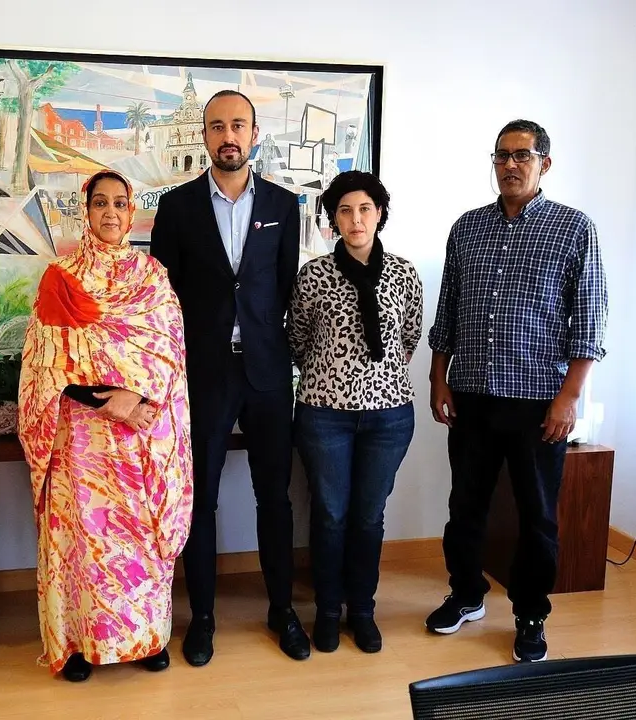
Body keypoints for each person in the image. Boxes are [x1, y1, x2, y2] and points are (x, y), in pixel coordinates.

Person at [425, 119, 608, 663]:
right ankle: (466, 594)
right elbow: (448, 314)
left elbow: (589, 323)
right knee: (466, 505)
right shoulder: (467, 229)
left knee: (537, 514)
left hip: (538, 403)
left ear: (544, 163)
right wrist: (439, 378)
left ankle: (530, 614)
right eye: (502, 155)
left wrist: (569, 397)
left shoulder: (575, 229)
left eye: (522, 156)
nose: (510, 165)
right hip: (473, 394)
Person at [150, 89, 311, 666]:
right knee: (202, 499)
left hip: (267, 373)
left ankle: (281, 611)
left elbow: (286, 288)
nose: (228, 136)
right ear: (204, 135)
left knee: (275, 496)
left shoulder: (285, 205)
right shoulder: (177, 207)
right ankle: (204, 619)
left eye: (237, 125)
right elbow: (162, 296)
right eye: (217, 126)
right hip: (204, 373)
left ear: (254, 132)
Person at [17, 170, 193, 682]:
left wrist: (132, 398)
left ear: (132, 210)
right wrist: (103, 401)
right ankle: (77, 644)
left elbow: (169, 353)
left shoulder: (152, 276)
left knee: (139, 534)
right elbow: (44, 363)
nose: (111, 213)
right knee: (83, 537)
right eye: (100, 204)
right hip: (80, 440)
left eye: (120, 203)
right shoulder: (61, 275)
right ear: (86, 210)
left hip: (140, 432)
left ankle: (147, 639)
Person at [287, 171, 422, 654]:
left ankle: (362, 611)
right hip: (325, 415)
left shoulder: (404, 273)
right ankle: (326, 611)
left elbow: (408, 338)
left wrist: (375, 381)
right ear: (333, 219)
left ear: (379, 213)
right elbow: (297, 341)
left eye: (364, 208)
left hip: (388, 417)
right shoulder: (314, 274)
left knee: (369, 517)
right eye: (345, 210)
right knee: (329, 516)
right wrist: (334, 377)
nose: (355, 218)